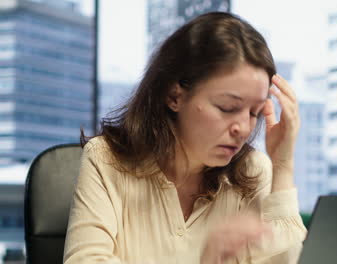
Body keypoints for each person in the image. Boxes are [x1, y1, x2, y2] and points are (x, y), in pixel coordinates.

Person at [63, 12, 307, 264]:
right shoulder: (105, 158)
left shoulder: (252, 171)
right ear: (174, 96)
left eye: (254, 112)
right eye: (227, 107)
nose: (243, 128)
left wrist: (282, 166)